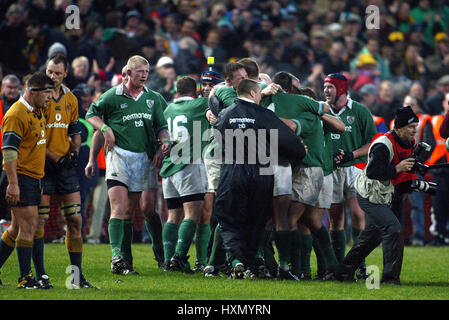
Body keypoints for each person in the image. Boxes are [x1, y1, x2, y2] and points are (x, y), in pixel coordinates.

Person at [213, 79, 307, 279]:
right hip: (261, 173)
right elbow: (292, 144)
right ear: (255, 94)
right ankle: (250, 264)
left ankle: (237, 261)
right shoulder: (264, 115)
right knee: (257, 220)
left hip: (233, 171)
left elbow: (218, 132)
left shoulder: (225, 114)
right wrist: (292, 157)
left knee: (229, 219)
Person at [86, 55, 170, 274]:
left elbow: (162, 125)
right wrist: (105, 129)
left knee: (131, 213)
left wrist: (166, 141)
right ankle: (116, 257)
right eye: (139, 71)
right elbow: (91, 115)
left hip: (142, 159)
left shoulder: (154, 98)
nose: (144, 75)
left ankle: (127, 260)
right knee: (119, 208)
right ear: (128, 73)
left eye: (146, 72)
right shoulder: (112, 96)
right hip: (118, 156)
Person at [335, 107, 431, 284]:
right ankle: (389, 278)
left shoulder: (408, 143)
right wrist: (397, 168)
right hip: (370, 194)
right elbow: (372, 171)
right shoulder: (383, 144)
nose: (415, 130)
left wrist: (419, 178)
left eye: (416, 126)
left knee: (371, 237)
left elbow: (404, 168)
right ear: (399, 128)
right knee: (393, 228)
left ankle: (342, 273)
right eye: (411, 127)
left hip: (387, 194)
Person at [35, 54, 96, 289]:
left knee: (74, 219)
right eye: (49, 71)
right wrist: (57, 158)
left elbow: (75, 129)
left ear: (65, 74)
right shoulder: (40, 97)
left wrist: (75, 152)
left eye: (57, 73)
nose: (52, 76)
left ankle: (77, 277)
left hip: (64, 166)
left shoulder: (71, 98)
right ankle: (40, 275)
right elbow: (38, 135)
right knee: (38, 221)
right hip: (42, 166)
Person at [0, 72, 53, 288]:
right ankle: (25, 278)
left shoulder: (36, 111)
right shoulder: (16, 114)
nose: (49, 97)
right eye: (46, 93)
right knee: (29, 226)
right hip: (20, 177)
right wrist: (13, 184)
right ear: (32, 92)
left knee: (15, 230)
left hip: (32, 178)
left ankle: (25, 276)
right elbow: (9, 152)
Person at [324, 73, 377, 279]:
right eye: (325, 86)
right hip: (332, 171)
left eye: (330, 87)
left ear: (342, 89)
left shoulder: (360, 111)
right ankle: (339, 266)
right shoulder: (323, 110)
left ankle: (360, 264)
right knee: (335, 219)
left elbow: (372, 142)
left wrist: (351, 154)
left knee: (357, 215)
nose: (326, 90)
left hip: (355, 168)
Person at [160, 76, 210, 273]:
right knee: (193, 214)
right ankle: (179, 257)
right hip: (189, 164)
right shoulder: (200, 104)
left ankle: (167, 260)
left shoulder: (168, 109)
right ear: (195, 91)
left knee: (173, 216)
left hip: (168, 168)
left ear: (176, 92)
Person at [0, 75, 21, 221]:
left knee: (8, 189)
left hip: (16, 154)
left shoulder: (24, 105)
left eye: (15, 88)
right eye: (9, 87)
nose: (12, 91)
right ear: (3, 87)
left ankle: (7, 222)